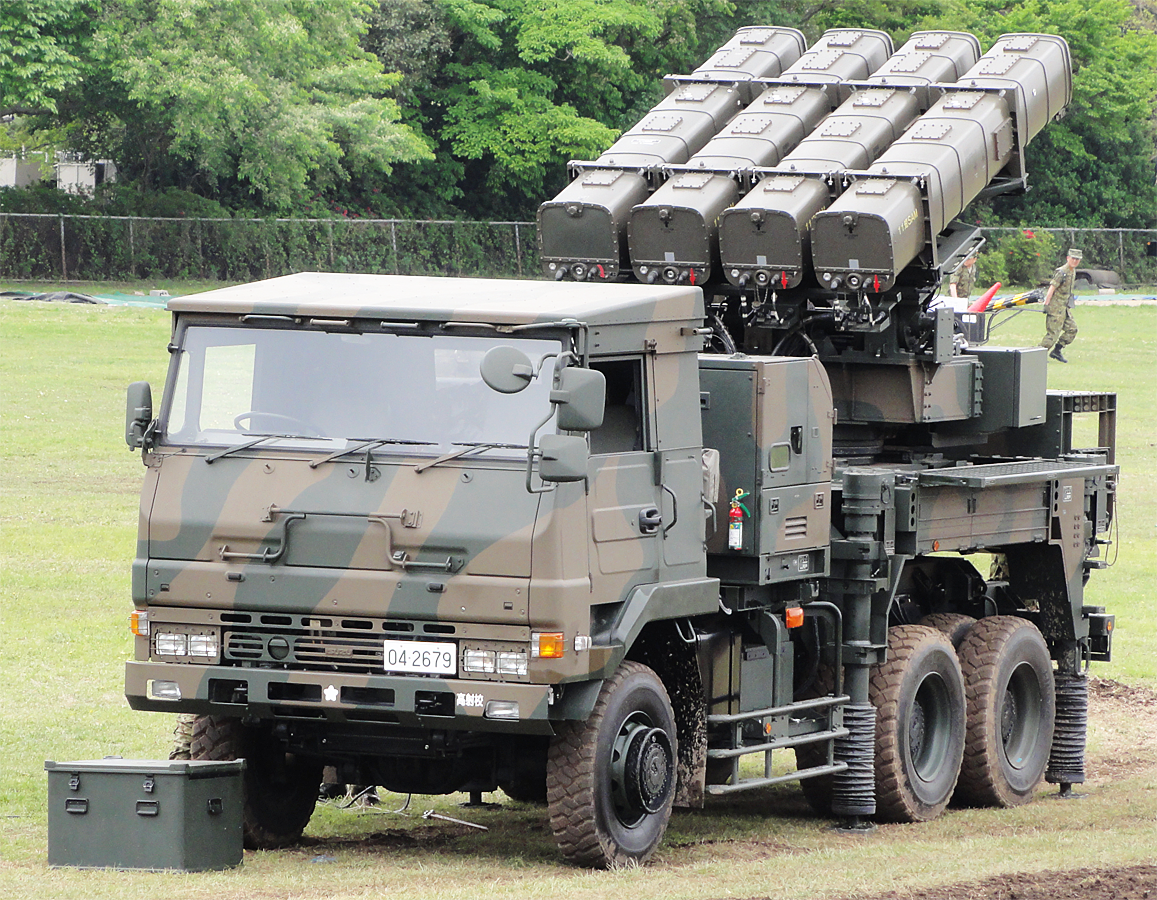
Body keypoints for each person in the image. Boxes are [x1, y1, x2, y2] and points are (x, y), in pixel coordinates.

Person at [1039, 249, 1081, 362]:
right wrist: (1046, 304)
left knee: (1072, 329)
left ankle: (1057, 351)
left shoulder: (1072, 271)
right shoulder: (1061, 272)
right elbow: (1051, 288)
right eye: (1073, 258)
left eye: (1077, 259)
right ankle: (1038, 355)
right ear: (1068, 258)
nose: (1075, 261)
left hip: (1064, 308)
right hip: (1055, 308)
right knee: (1053, 334)